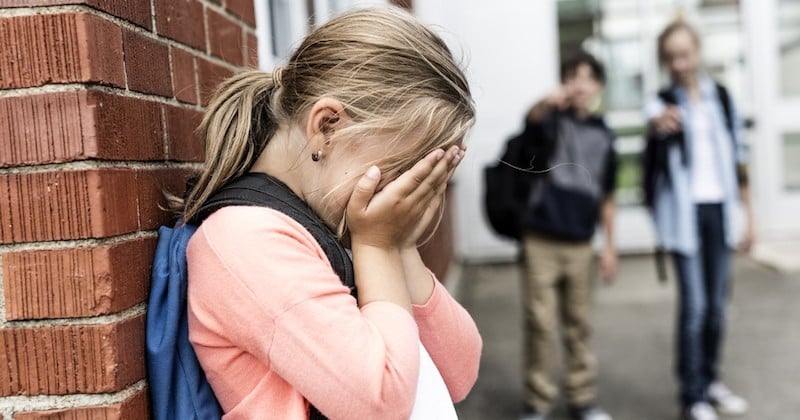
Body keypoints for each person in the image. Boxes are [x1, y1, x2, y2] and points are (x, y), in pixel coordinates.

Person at [174, 7, 482, 419]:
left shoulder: (343, 221)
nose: (405, 193)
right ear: (328, 126)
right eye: (400, 169)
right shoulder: (246, 239)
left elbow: (459, 372)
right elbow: (381, 404)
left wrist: (402, 246)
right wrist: (379, 245)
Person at [645, 20, 755, 420]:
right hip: (685, 217)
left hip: (720, 212)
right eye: (671, 56)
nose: (679, 62)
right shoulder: (661, 102)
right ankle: (692, 396)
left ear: (698, 51)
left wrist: (750, 216)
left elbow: (740, 161)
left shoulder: (721, 98)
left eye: (684, 53)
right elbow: (654, 118)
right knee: (695, 307)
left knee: (717, 308)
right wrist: (660, 123)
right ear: (664, 60)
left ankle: (710, 381)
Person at [516, 51, 618, 420]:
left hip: (580, 243)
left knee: (579, 324)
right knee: (539, 324)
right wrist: (545, 103)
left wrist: (609, 247)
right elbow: (528, 128)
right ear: (563, 82)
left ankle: (582, 399)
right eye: (573, 76)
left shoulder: (605, 135)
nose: (580, 84)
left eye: (588, 77)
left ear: (599, 86)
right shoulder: (549, 120)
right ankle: (537, 402)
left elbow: (608, 196)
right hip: (540, 237)